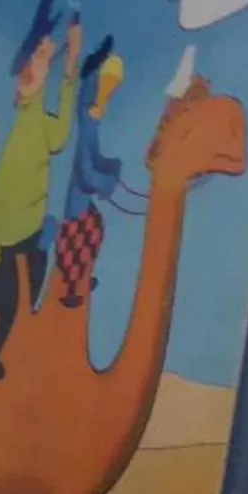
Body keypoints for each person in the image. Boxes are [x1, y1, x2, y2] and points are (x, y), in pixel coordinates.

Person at [0, 0, 83, 378]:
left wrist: (71, 58)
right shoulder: (25, 126)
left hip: (27, 232)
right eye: (37, 59)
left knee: (42, 258)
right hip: (5, 243)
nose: (40, 64)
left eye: (42, 58)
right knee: (10, 306)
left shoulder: (39, 125)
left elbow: (61, 134)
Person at [55, 37, 149, 308]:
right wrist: (105, 180)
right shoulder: (87, 121)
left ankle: (81, 277)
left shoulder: (91, 123)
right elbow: (85, 168)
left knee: (94, 230)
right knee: (81, 234)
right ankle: (71, 287)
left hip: (84, 198)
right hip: (79, 201)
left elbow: (93, 156)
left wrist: (109, 166)